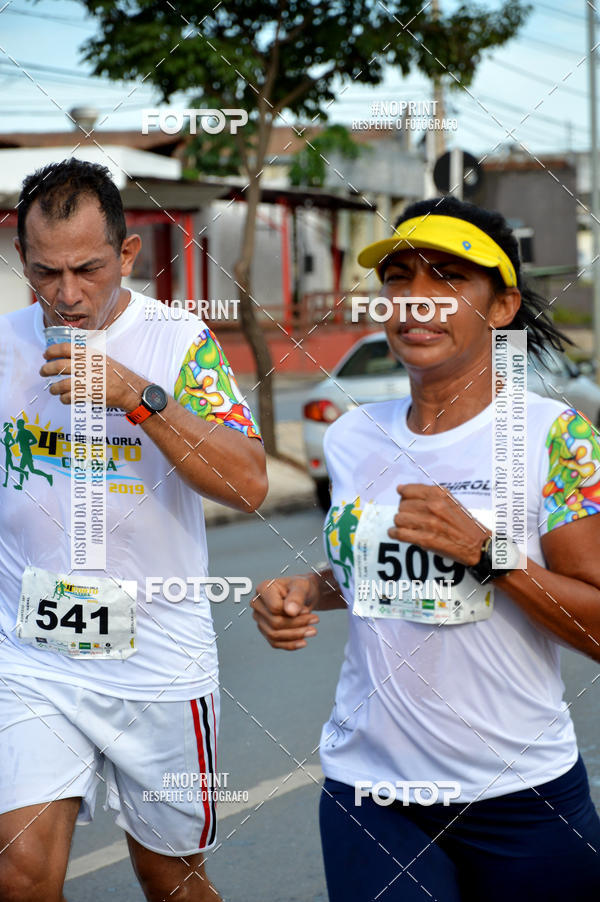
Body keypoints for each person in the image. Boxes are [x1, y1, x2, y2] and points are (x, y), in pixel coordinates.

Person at [252, 196, 600, 901]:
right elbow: (380, 570)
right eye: (399, 278)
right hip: (371, 791)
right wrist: (302, 590)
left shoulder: (554, 437)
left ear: (500, 308)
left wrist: (487, 552)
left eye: (446, 278)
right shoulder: (353, 437)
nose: (415, 300)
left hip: (520, 795)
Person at [0, 158, 267, 902]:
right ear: (22, 257)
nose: (66, 294)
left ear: (127, 255)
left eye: (87, 269)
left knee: (169, 879)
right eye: (46, 272)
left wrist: (136, 397)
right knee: (19, 873)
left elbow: (248, 484)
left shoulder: (179, 343)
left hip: (158, 667)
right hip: (31, 661)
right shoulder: (3, 346)